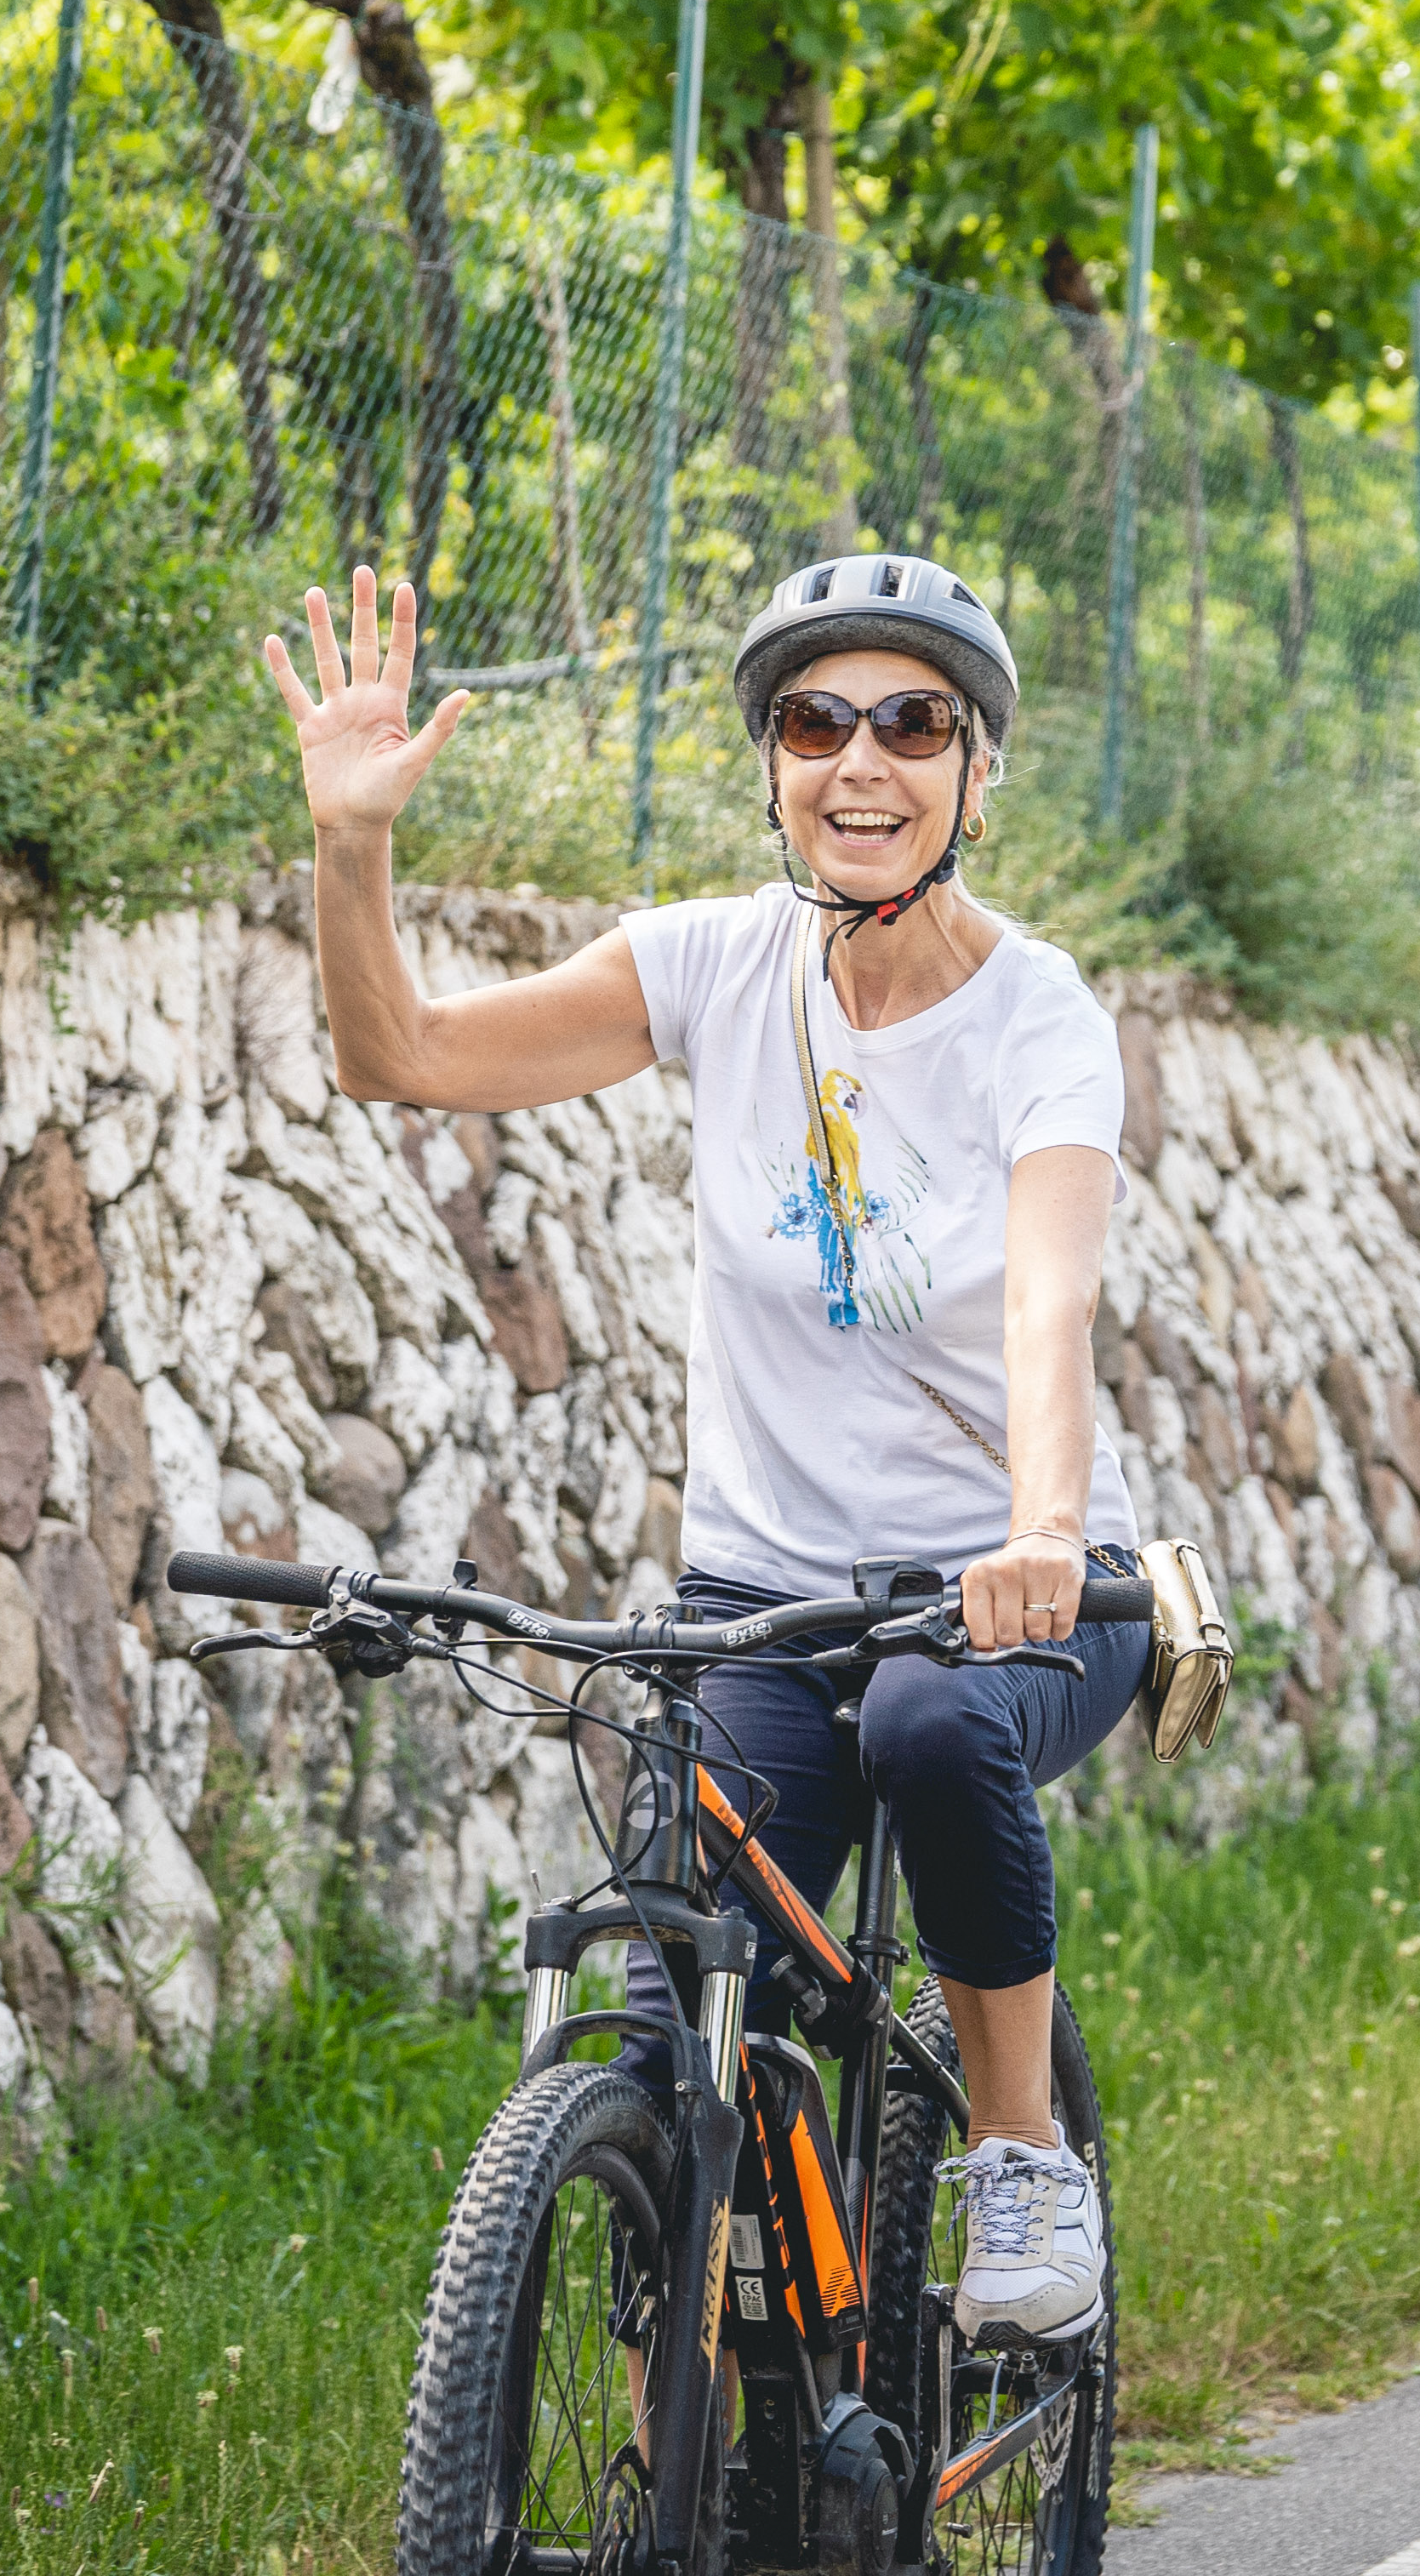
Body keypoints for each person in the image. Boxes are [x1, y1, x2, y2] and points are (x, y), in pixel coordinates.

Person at [261, 553, 1149, 2344]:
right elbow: (401, 1052)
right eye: (818, 720)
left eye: (915, 720)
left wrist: (1041, 1527)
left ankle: (1018, 2149)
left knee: (928, 1715)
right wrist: (350, 840)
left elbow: (1045, 1299)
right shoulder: (715, 965)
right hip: (764, 1601)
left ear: (982, 770)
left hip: (1023, 1598)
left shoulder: (1039, 1016)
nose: (862, 760)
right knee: (675, 2013)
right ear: (773, 762)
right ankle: (701, 2451)